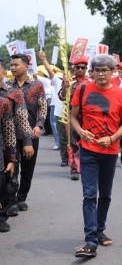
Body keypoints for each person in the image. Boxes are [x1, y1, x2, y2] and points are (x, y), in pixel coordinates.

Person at [70, 54, 122, 258]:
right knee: (89, 194)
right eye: (97, 70)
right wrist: (80, 132)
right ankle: (90, 240)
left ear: (113, 71)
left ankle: (100, 229)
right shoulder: (83, 89)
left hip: (110, 151)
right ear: (92, 72)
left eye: (105, 69)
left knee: (105, 194)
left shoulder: (121, 94)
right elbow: (73, 116)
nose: (101, 73)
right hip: (88, 150)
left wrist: (112, 138)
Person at [8, 54, 47, 213]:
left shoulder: (37, 85)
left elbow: (42, 107)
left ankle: (21, 197)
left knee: (27, 169)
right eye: (11, 65)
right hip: (11, 134)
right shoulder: (7, 86)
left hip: (31, 134)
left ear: (26, 66)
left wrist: (39, 125)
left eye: (16, 65)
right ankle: (11, 200)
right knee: (12, 168)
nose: (13, 68)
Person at [0, 61, 34, 216]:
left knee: (11, 173)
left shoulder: (13, 93)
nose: (13, 67)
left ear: (3, 72)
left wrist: (28, 141)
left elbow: (22, 119)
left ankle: (12, 202)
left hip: (10, 140)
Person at [59, 56, 91, 180]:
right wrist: (66, 87)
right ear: (74, 68)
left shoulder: (91, 83)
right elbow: (62, 97)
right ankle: (74, 169)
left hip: (88, 117)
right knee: (72, 143)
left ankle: (84, 166)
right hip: (72, 116)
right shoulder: (69, 81)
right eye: (78, 67)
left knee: (86, 142)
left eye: (83, 68)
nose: (80, 70)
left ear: (86, 69)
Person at [0, 95, 16, 232]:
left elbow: (9, 131)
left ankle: (1, 218)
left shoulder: (3, 103)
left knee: (2, 189)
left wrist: (11, 159)